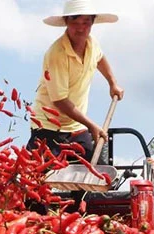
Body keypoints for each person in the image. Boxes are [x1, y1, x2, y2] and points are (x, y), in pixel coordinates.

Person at [27, 0, 125, 165]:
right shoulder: (56, 54)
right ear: (66, 22)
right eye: (75, 22)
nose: (81, 28)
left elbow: (99, 58)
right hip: (47, 126)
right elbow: (60, 100)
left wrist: (112, 83)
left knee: (96, 176)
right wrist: (91, 125)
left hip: (75, 127)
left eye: (86, 22)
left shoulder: (92, 44)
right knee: (38, 179)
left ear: (92, 23)